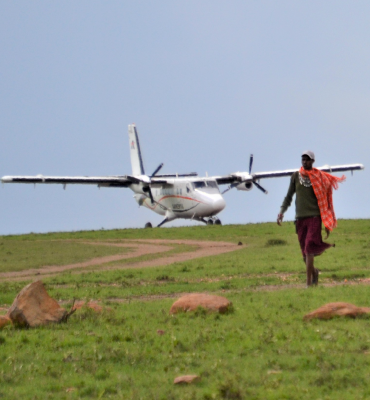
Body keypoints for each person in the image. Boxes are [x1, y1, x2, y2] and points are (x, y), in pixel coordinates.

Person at [277, 151, 345, 287]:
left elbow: (325, 199)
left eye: (307, 160)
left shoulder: (319, 177)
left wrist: (326, 220)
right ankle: (314, 272)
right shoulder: (295, 176)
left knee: (309, 249)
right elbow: (289, 196)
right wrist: (282, 212)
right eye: (303, 159)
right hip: (300, 219)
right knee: (305, 254)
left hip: (314, 218)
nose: (304, 162)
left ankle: (308, 285)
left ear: (313, 161)